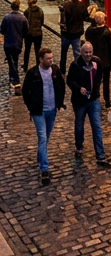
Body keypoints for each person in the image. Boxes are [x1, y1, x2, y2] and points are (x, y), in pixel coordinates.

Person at [21, 47, 65, 184]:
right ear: (41, 59)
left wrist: (60, 103)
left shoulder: (55, 70)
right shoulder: (33, 73)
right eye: (48, 58)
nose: (51, 60)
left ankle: (40, 159)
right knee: (42, 137)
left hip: (51, 110)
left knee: (46, 138)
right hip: (38, 111)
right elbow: (25, 91)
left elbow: (61, 87)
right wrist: (31, 107)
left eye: (51, 58)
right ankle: (44, 169)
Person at [67, 41, 111, 168]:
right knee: (79, 125)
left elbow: (99, 76)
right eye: (86, 52)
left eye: (90, 52)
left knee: (97, 127)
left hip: (93, 100)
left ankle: (100, 156)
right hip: (80, 102)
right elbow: (69, 80)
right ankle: (79, 146)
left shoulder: (97, 62)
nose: (88, 55)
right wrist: (79, 88)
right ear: (81, 53)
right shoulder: (75, 65)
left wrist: (95, 90)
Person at [84, 11, 111, 107]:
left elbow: (87, 43)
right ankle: (107, 101)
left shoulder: (89, 31)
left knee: (94, 79)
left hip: (93, 59)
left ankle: (93, 98)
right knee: (106, 80)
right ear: (104, 20)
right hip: (105, 60)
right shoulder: (107, 31)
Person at [59, 0, 87, 72]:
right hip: (76, 33)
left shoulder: (64, 5)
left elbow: (62, 17)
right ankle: (78, 70)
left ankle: (62, 69)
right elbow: (85, 16)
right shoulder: (81, 5)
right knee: (77, 54)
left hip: (66, 33)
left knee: (63, 52)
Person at [2, 0, 27, 88]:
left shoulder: (6, 18)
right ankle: (12, 78)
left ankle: (16, 80)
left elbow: (2, 31)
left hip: (8, 44)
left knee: (11, 62)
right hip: (17, 43)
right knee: (14, 61)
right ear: (18, 7)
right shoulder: (23, 18)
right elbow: (25, 32)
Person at [22, 0, 44, 70]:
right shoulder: (40, 10)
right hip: (38, 33)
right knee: (37, 50)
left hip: (29, 34)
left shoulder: (27, 11)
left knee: (27, 50)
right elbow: (42, 22)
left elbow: (25, 24)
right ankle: (38, 66)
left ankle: (25, 66)